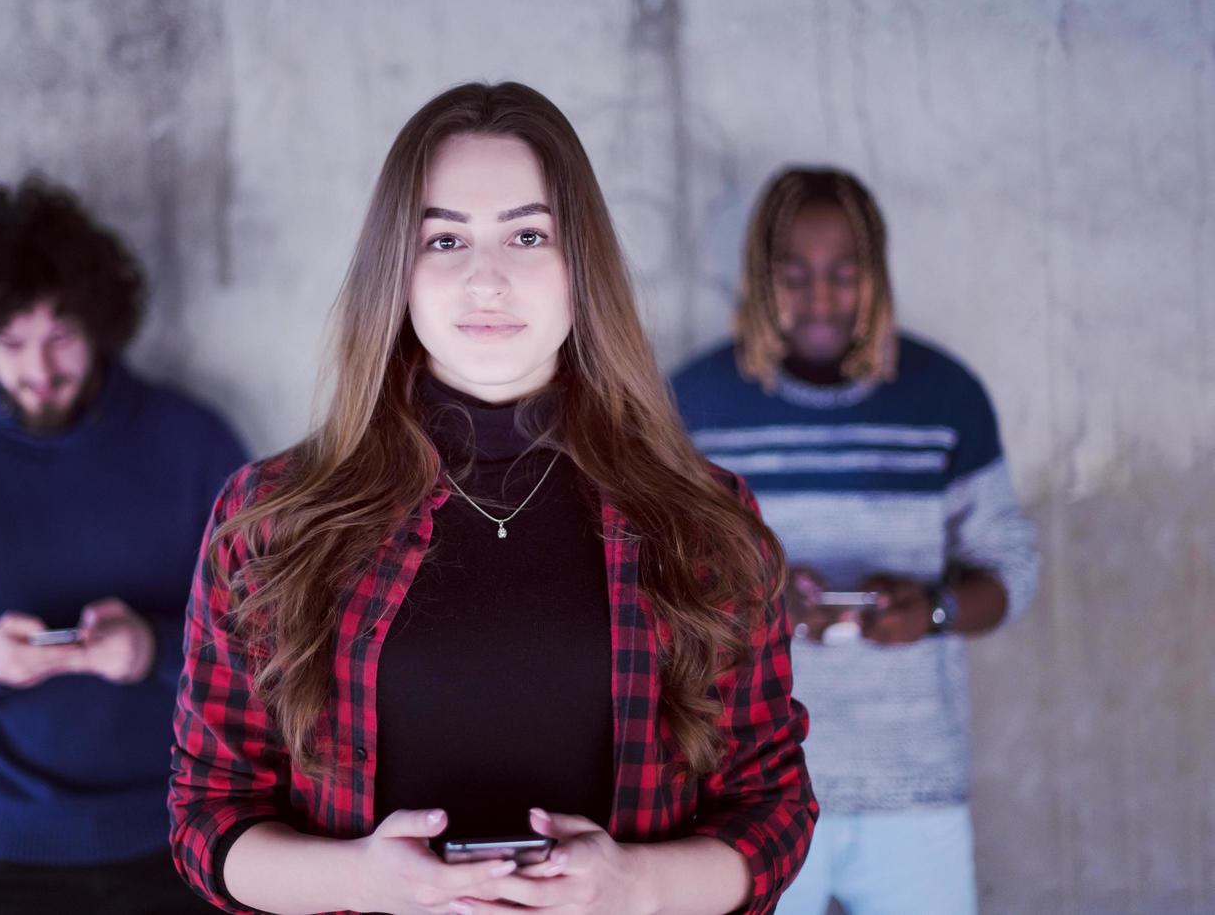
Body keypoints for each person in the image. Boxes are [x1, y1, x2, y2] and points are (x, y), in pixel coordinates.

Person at [169, 82, 817, 915]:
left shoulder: (704, 523)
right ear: (393, 271)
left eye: (527, 234)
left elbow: (774, 809)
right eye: (444, 239)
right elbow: (205, 817)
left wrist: (633, 888)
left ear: (580, 262)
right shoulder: (271, 518)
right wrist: (364, 880)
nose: (487, 279)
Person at [671, 167, 1039, 915]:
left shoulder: (945, 397)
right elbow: (645, 585)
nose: (820, 299)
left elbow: (1013, 567)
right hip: (744, 791)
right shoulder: (689, 404)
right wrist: (761, 604)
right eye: (794, 274)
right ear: (756, 277)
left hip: (914, 789)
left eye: (844, 273)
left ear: (876, 276)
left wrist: (931, 610)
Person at [0, 177, 248, 914]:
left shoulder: (196, 445)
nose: (39, 372)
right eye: (12, 345)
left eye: (60, 338)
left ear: (100, 322)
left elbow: (270, 653)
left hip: (193, 835)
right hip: (19, 858)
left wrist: (152, 651)